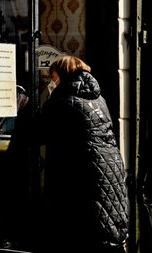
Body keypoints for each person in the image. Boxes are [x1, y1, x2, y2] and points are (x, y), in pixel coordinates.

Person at [34, 55, 129, 253]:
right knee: (104, 229)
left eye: (53, 77)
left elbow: (38, 133)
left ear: (61, 75)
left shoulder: (63, 100)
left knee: (80, 235)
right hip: (110, 172)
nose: (52, 82)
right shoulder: (99, 99)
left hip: (83, 176)